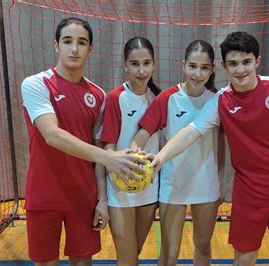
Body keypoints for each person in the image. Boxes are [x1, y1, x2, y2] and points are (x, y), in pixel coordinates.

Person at [151, 31, 269, 266]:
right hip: (248, 193)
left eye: (246, 62)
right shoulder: (221, 100)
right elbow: (191, 131)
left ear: (257, 61)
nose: (240, 70)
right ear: (224, 66)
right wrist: (160, 157)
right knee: (244, 259)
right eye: (233, 64)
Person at [21, 17, 147, 266]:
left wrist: (102, 200)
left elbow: (99, 148)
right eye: (67, 41)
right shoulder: (36, 84)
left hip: (83, 194)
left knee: (82, 261)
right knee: (45, 262)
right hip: (44, 192)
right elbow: (52, 135)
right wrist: (110, 158)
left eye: (82, 42)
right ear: (56, 45)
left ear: (90, 48)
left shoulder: (97, 94)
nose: (74, 49)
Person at [131, 40, 221, 266]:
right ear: (183, 65)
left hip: (207, 184)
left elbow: (224, 144)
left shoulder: (218, 101)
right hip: (173, 184)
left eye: (204, 68)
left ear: (212, 70)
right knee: (170, 253)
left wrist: (222, 178)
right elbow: (143, 134)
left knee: (203, 246)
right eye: (192, 66)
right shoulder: (168, 98)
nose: (197, 73)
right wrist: (134, 153)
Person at [96, 36, 161, 265]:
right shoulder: (116, 98)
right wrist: (102, 198)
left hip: (149, 189)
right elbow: (108, 149)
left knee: (135, 253)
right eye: (134, 64)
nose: (141, 70)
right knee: (127, 259)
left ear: (154, 64)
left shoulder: (159, 98)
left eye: (146, 63)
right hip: (120, 188)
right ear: (125, 65)